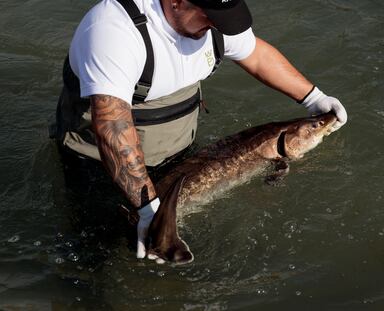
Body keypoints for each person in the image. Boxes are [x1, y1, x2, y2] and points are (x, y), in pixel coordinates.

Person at [53, 0, 347, 261]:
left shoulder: (214, 20)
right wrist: (145, 205)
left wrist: (314, 98)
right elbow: (111, 125)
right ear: (177, 2)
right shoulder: (114, 31)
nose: (215, 26)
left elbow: (256, 55)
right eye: (208, 16)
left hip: (178, 148)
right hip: (102, 161)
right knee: (96, 250)